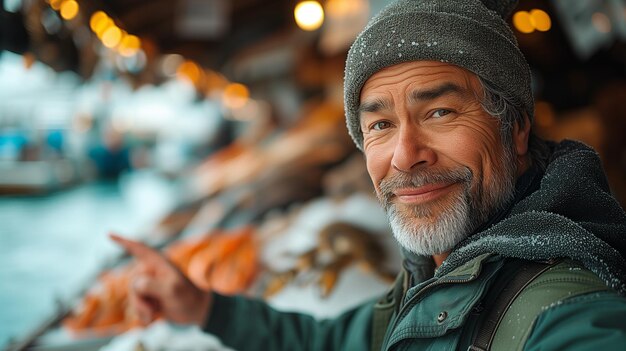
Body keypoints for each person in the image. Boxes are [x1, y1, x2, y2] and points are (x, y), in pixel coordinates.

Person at [112, 0, 626, 349]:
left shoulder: (566, 312)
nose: (405, 155)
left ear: (514, 130)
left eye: (440, 113)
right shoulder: (429, 279)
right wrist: (203, 307)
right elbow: (330, 344)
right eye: (380, 124)